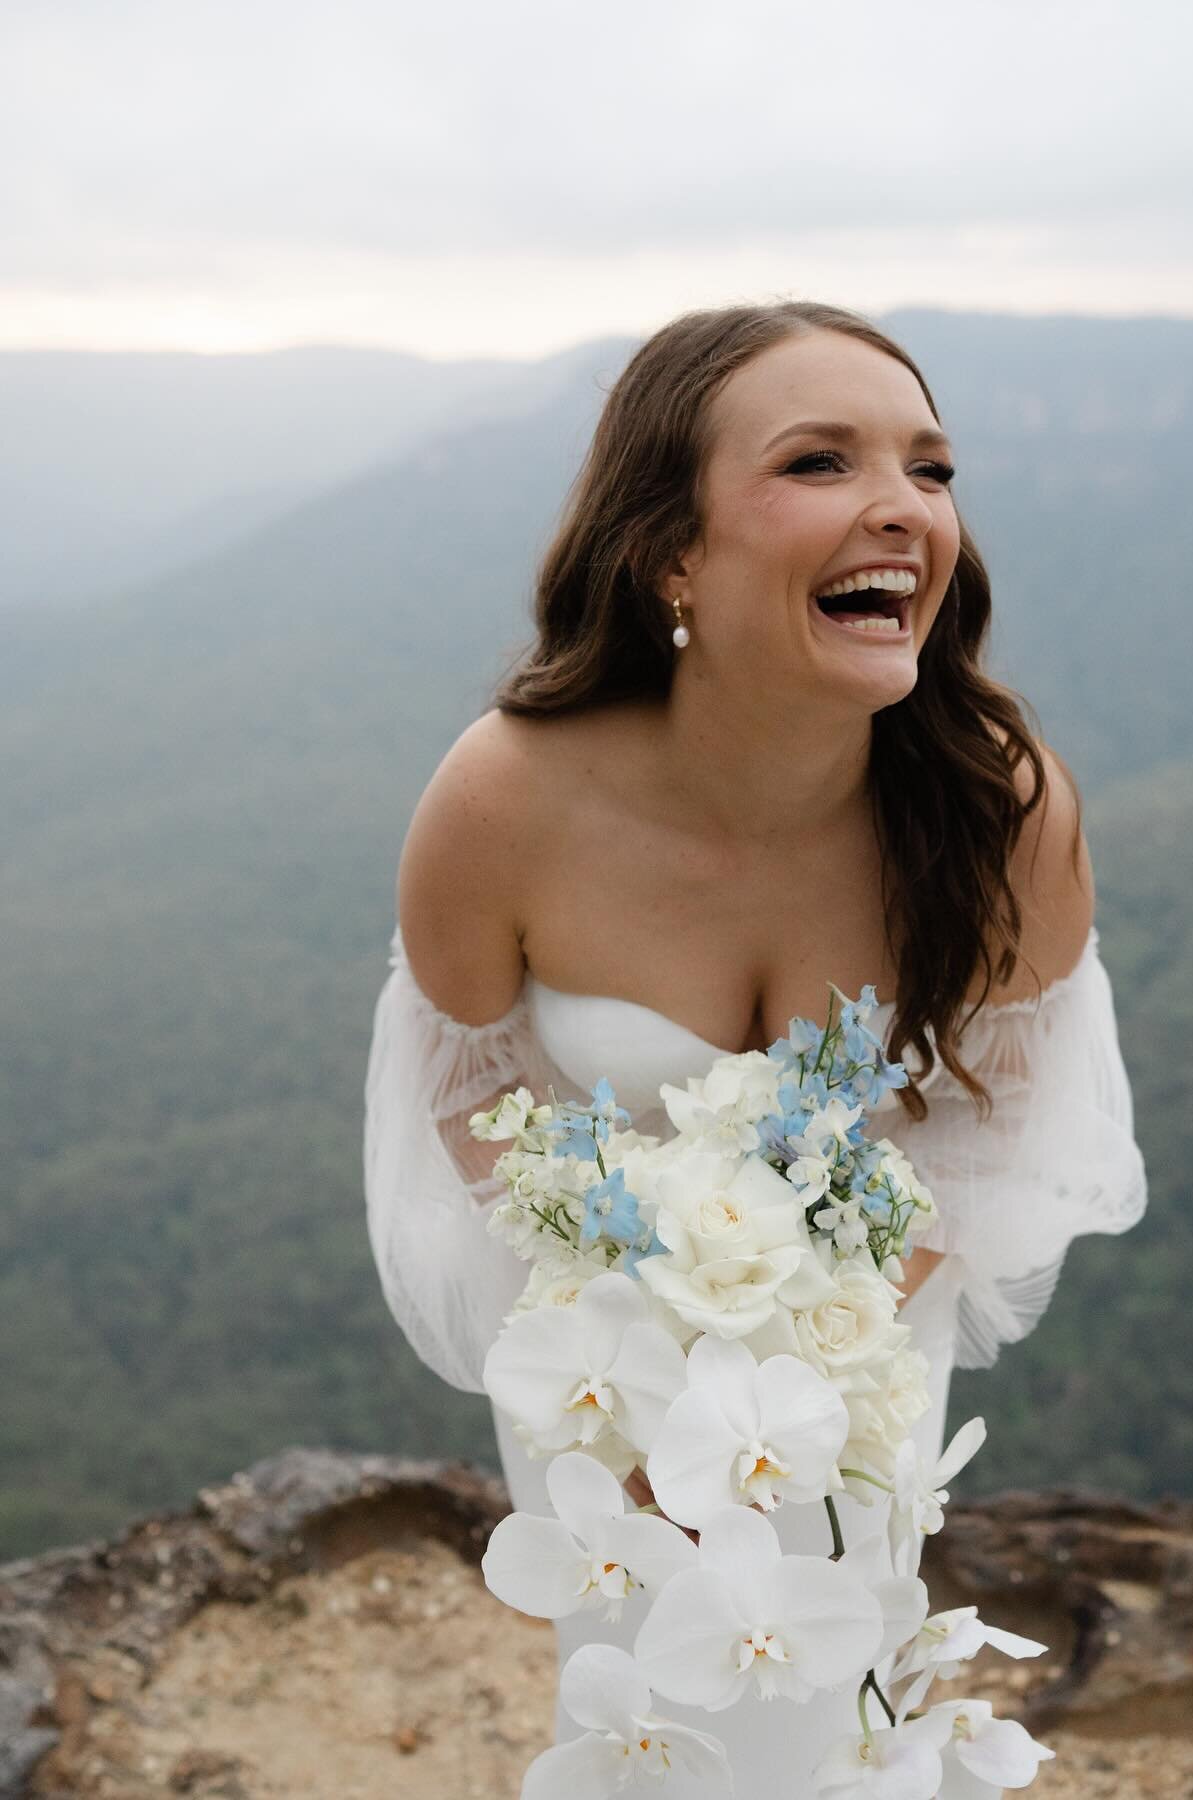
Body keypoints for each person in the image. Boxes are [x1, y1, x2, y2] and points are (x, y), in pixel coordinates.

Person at [363, 300, 1148, 1793]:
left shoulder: (1002, 809)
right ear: (670, 551)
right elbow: (464, 1078)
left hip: (854, 1368)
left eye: (931, 469)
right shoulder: (505, 799)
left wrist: (820, 1338)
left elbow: (1000, 1123)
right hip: (605, 1362)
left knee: (829, 1695)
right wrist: (625, 1338)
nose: (903, 511)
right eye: (818, 463)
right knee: (654, 1714)